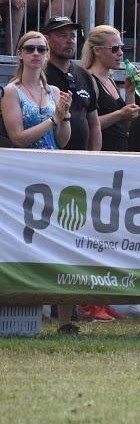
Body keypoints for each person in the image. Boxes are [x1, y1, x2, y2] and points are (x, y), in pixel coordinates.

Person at [1, 31, 78, 333]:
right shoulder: (11, 91)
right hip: (24, 173)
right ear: (19, 54)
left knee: (64, 241)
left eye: (41, 49)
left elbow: (63, 139)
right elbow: (18, 137)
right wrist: (54, 120)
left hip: (54, 169)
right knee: (26, 240)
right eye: (30, 48)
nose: (36, 53)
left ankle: (66, 320)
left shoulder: (55, 91)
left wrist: (65, 116)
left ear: (47, 55)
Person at [43, 15, 102, 151]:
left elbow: (94, 123)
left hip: (81, 161)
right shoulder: (39, 75)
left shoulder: (84, 75)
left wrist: (95, 157)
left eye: (73, 36)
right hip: (48, 158)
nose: (69, 40)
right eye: (62, 36)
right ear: (46, 40)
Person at [82, 24, 140, 151]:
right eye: (115, 49)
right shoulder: (88, 80)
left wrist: (130, 92)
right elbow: (85, 123)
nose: (121, 53)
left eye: (121, 48)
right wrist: (119, 114)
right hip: (102, 155)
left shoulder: (110, 80)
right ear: (97, 50)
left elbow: (127, 124)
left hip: (119, 153)